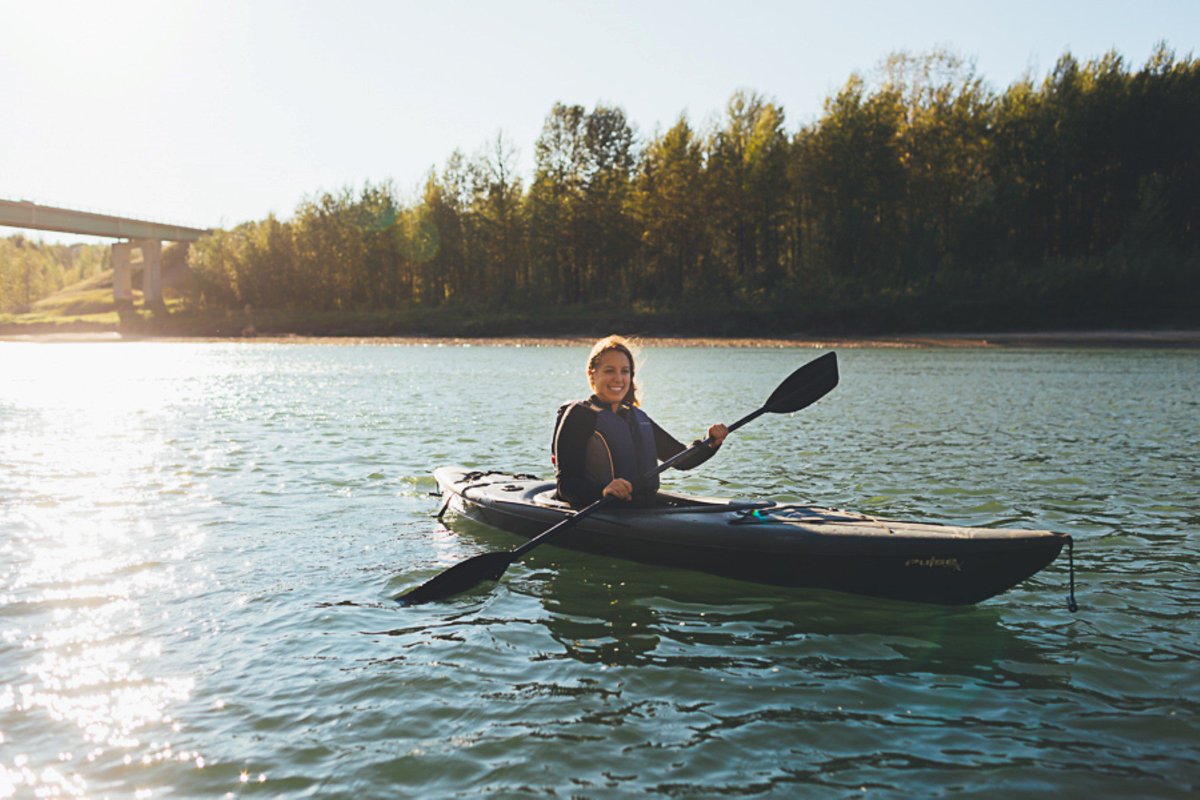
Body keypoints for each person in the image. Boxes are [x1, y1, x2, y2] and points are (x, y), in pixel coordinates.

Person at [553, 335, 729, 507]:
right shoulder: (579, 415)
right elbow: (566, 486)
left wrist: (711, 442)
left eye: (625, 371)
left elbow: (682, 459)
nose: (618, 378)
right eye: (609, 370)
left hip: (642, 508)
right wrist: (603, 491)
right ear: (592, 375)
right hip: (599, 508)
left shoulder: (637, 418)